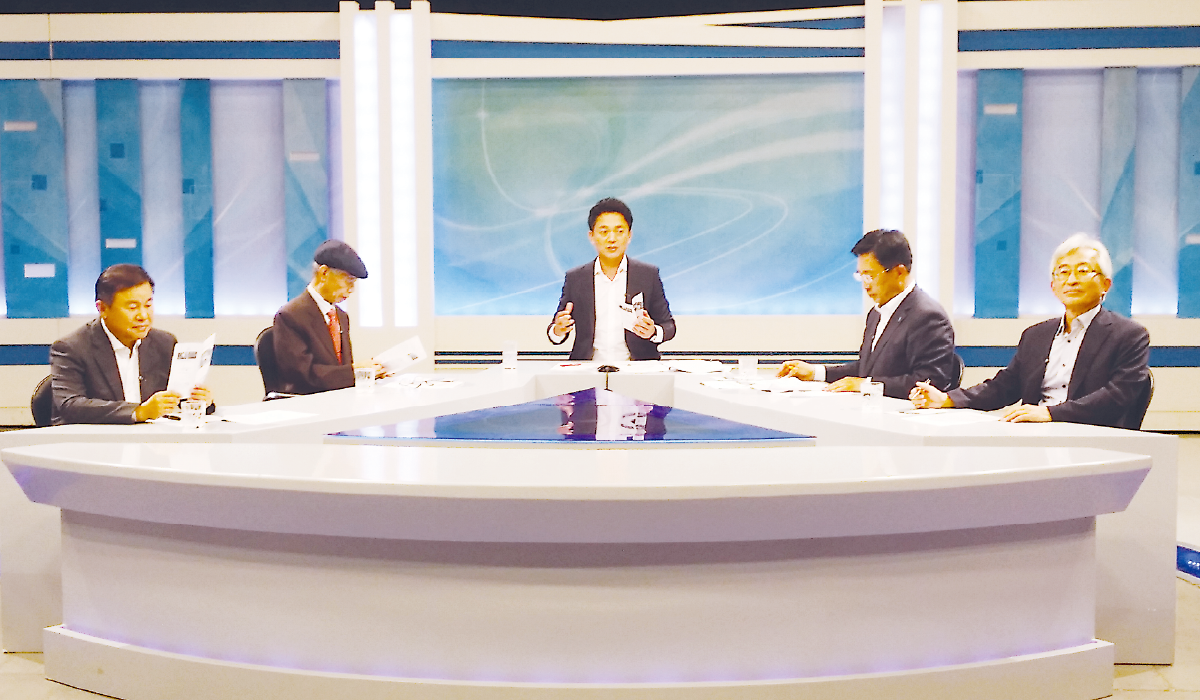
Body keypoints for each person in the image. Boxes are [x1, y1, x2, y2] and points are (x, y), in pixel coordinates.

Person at [909, 233, 1150, 427]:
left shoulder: (1129, 335)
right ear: (1053, 285)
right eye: (1063, 272)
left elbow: (1118, 396)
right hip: (1034, 434)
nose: (1072, 280)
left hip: (1092, 438)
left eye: (1083, 271)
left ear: (1105, 284)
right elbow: (1004, 387)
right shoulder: (1036, 336)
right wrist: (947, 399)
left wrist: (1051, 414)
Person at [776, 229, 956, 398]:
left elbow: (929, 382)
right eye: (860, 276)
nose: (865, 285)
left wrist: (865, 385)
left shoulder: (928, 317)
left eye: (870, 276)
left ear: (899, 272)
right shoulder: (876, 314)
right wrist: (816, 372)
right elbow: (866, 370)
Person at [50, 264, 213, 425]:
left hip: (153, 438)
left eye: (148, 305)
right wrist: (139, 412)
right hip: (94, 439)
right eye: (133, 307)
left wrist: (200, 401)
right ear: (103, 309)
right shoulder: (71, 348)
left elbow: (176, 402)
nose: (143, 316)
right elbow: (70, 405)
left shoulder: (164, 343)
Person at [548, 198, 676, 362]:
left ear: (629, 235)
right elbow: (554, 331)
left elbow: (669, 326)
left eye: (619, 231)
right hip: (589, 368)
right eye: (604, 231)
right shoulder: (576, 278)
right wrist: (558, 330)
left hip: (637, 369)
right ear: (591, 236)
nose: (612, 238)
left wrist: (653, 332)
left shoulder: (648, 275)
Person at [273, 240, 382, 394]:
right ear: (324, 273)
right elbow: (303, 376)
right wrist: (354, 372)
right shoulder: (290, 316)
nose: (351, 289)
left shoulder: (341, 317)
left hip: (339, 400)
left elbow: (341, 373)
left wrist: (370, 373)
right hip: (307, 402)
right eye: (348, 280)